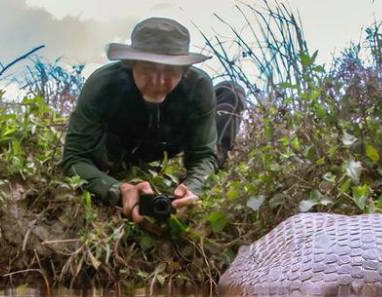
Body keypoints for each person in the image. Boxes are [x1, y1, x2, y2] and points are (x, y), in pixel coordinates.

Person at [60, 17, 246, 224]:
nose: (158, 82)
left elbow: (202, 155)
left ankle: (217, 158)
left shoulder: (198, 86)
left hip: (172, 140)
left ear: (184, 71)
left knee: (231, 92)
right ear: (131, 65)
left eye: (169, 71)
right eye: (147, 69)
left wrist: (193, 187)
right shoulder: (102, 85)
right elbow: (74, 158)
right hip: (119, 146)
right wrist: (117, 189)